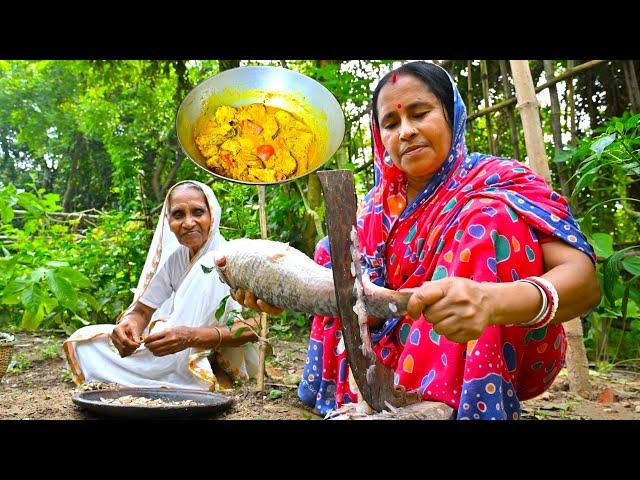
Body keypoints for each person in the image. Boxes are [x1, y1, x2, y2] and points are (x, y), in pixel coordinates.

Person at [230, 61, 601, 420]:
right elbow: (348, 299)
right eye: (391, 123)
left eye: (420, 113)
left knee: (487, 219)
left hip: (501, 340)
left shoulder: (499, 180)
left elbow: (584, 284)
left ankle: (446, 405)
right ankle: (383, 402)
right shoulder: (371, 211)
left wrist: (492, 302)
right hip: (386, 363)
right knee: (334, 253)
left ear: (451, 115)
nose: (405, 131)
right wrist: (281, 291)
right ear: (380, 137)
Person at [63, 180, 259, 391]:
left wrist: (191, 336)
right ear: (168, 221)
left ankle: (206, 371)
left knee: (208, 264)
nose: (188, 223)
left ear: (213, 215)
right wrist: (129, 326)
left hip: (212, 349)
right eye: (178, 215)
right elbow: (143, 309)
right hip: (174, 347)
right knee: (83, 343)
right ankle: (177, 377)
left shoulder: (230, 258)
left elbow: (257, 326)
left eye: (198, 212)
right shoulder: (177, 259)